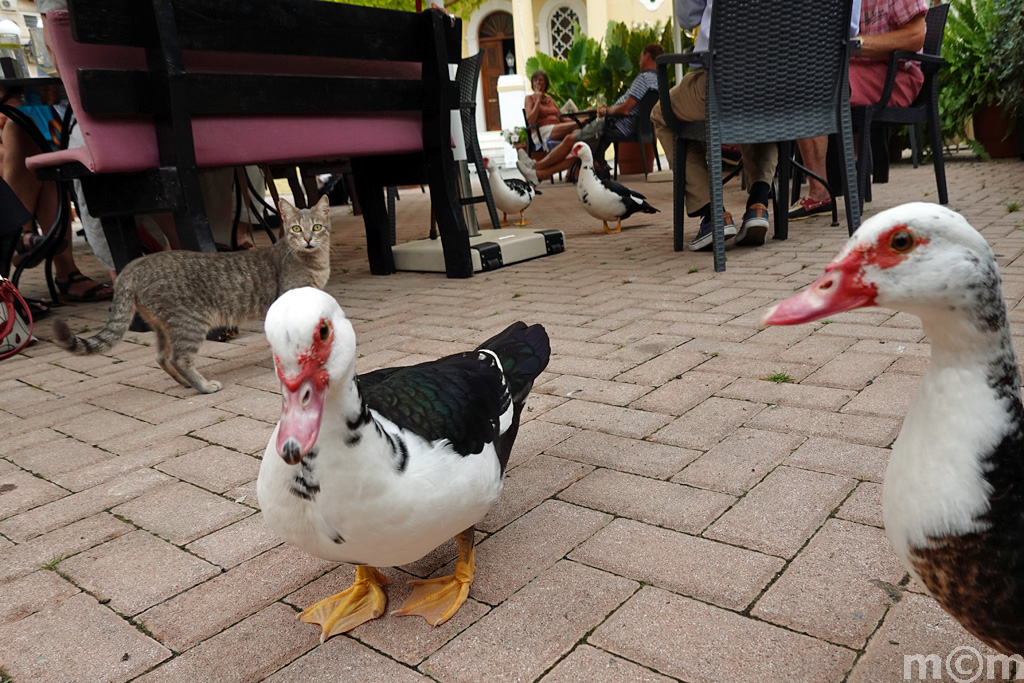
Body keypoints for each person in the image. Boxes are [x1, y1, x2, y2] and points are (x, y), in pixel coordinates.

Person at [649, 0, 778, 252]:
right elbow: (848, 30)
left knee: (662, 114)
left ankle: (713, 214)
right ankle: (758, 205)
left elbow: (687, 17)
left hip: (722, 83)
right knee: (762, 111)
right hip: (785, 86)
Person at [790, 0, 927, 220]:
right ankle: (819, 190)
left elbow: (915, 36)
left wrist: (857, 45)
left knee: (812, 85)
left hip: (897, 75)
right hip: (857, 69)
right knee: (799, 77)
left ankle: (819, 192)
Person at [518, 43, 664, 185]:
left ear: (647, 57)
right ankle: (539, 174)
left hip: (616, 125)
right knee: (581, 147)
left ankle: (535, 167)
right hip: (631, 125)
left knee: (572, 139)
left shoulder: (643, 78)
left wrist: (607, 111)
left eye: (641, 57)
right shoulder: (658, 80)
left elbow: (625, 109)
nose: (639, 61)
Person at [524, 70, 580, 150]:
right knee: (578, 124)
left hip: (556, 128)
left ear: (546, 83)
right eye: (535, 80)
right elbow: (531, 120)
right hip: (541, 131)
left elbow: (562, 118)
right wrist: (538, 100)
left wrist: (580, 119)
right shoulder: (529, 98)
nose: (538, 82)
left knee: (578, 132)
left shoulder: (549, 98)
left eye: (540, 80)